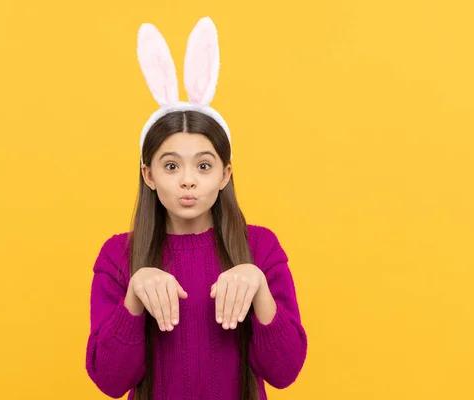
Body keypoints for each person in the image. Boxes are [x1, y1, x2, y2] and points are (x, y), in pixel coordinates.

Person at [85, 16, 308, 400]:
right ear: (149, 174)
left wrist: (259, 288)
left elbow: (285, 371)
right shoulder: (117, 257)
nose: (188, 180)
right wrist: (134, 296)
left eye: (203, 165)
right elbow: (109, 381)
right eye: (171, 166)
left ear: (225, 174)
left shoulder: (261, 248)